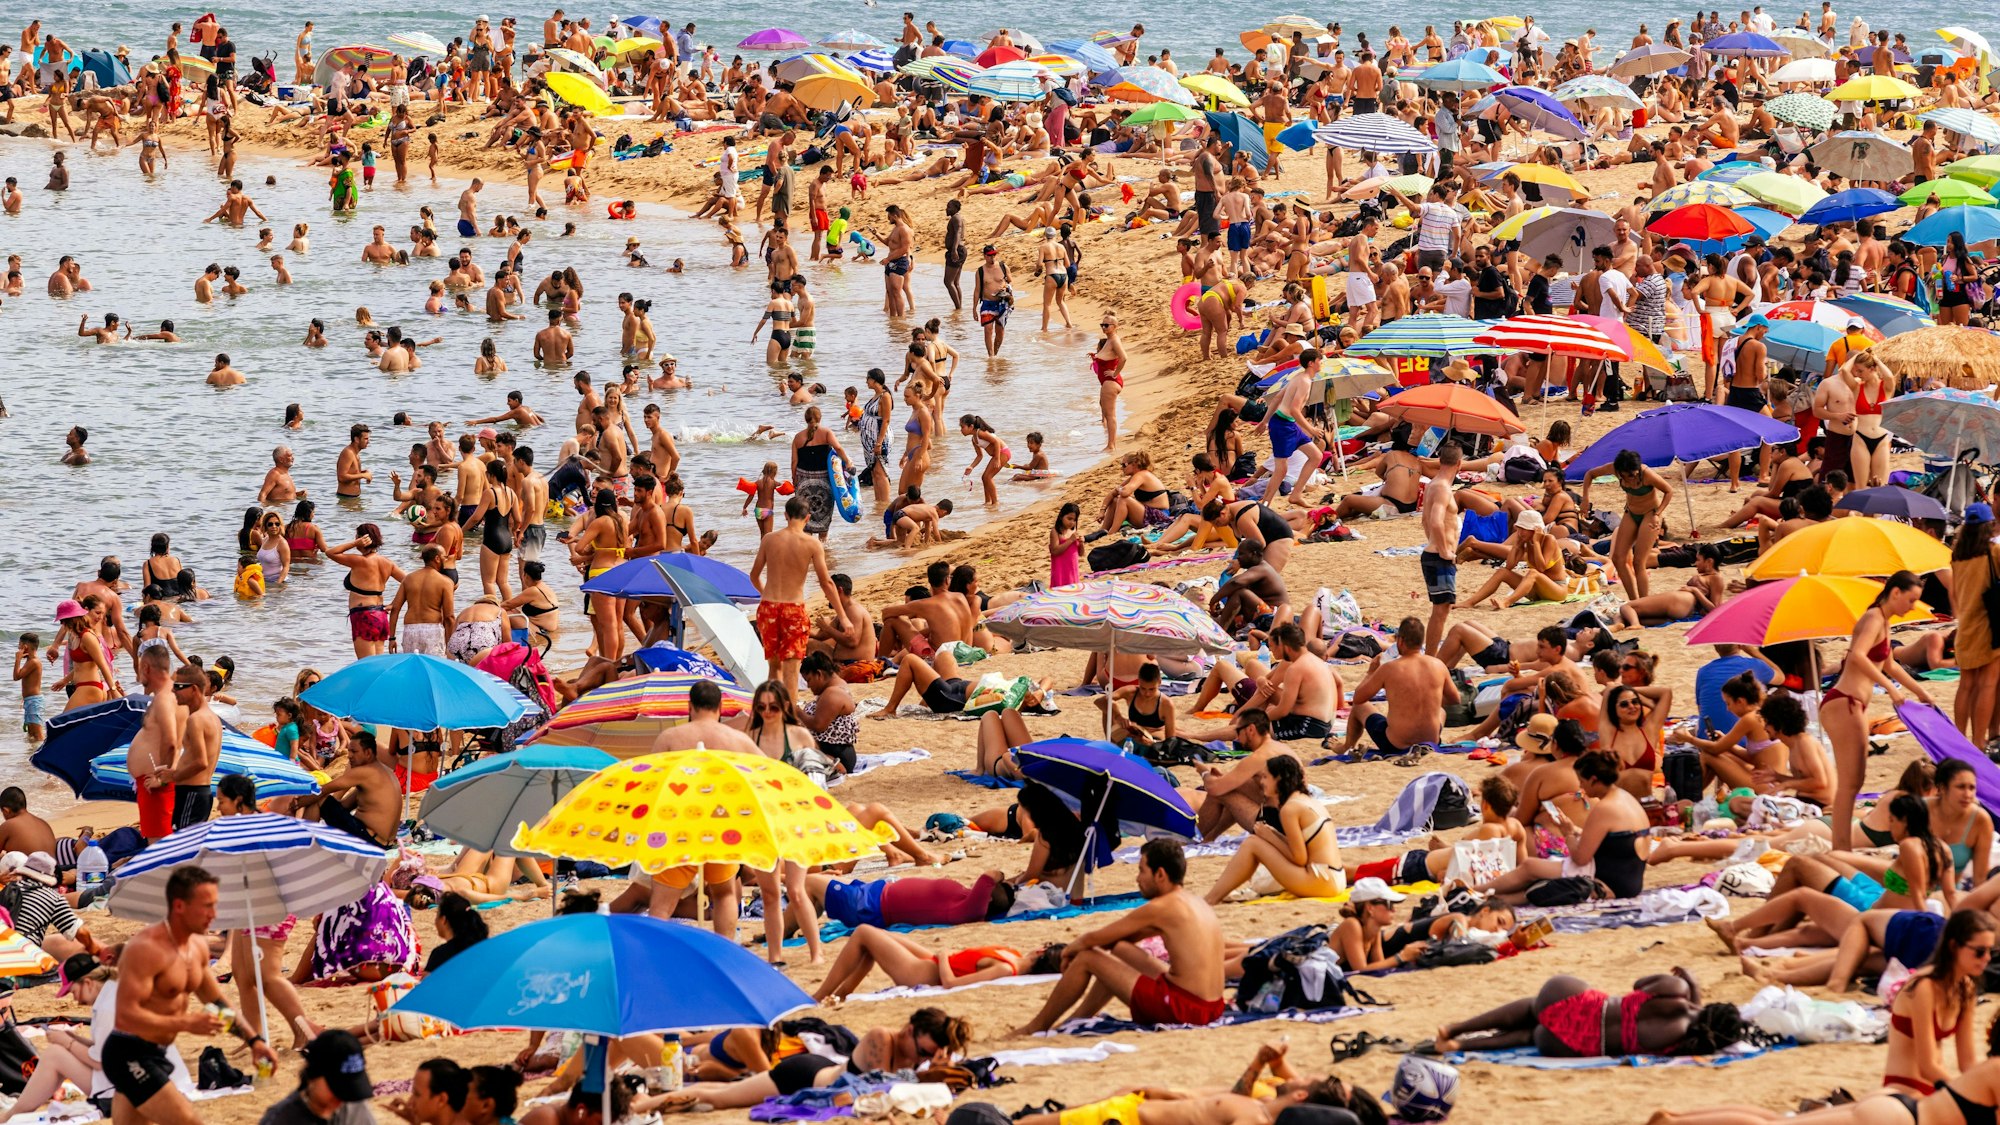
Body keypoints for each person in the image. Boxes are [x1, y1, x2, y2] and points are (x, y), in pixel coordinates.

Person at [110, 866, 278, 1125]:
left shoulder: (197, 946)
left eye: (215, 905)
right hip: (128, 1053)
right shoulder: (145, 950)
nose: (214, 915)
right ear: (179, 906)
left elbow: (217, 1003)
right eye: (206, 906)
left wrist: (255, 1041)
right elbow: (126, 1015)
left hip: (158, 1051)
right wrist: (186, 1023)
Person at [1016, 840, 1226, 1034]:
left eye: (1142, 871)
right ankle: (1078, 1018)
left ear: (1160, 875)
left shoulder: (1163, 906)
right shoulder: (1195, 902)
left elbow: (1091, 939)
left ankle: (1036, 1026)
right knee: (1121, 949)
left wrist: (1069, 952)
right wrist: (1099, 947)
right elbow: (1117, 940)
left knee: (1088, 957)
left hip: (1184, 1010)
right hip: (1212, 1006)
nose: (1137, 879)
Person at [1826, 571, 1933, 850]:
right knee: (1849, 784)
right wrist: (1893, 690)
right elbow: (1858, 655)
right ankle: (1840, 847)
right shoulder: (1873, 618)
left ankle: (1842, 845)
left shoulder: (1882, 621)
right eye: (1910, 600)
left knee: (1855, 781)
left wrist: (1920, 692)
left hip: (1852, 703)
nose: (1911, 607)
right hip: (1844, 701)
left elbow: (1891, 665)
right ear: (1895, 592)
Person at [1435, 966, 1743, 1058]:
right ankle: (1459, 1046)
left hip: (1578, 1005)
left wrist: (1690, 982)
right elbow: (1694, 1021)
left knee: (1533, 1007)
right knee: (1532, 1034)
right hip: (1574, 1046)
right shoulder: (1685, 1046)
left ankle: (1456, 1028)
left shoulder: (1676, 990)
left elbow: (1637, 982)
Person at [1202, 755, 1344, 902]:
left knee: (1252, 843)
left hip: (1322, 881)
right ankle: (1216, 895)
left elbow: (1299, 858)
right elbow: (1303, 849)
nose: (1261, 782)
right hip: (1335, 877)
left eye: (1265, 777)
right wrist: (1274, 834)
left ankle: (1211, 899)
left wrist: (1269, 837)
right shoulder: (1306, 801)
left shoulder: (1290, 809)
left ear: (1278, 779)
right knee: (1256, 841)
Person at [750, 496, 850, 692]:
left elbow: (754, 576)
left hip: (768, 608)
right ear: (808, 518)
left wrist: (766, 595)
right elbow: (826, 583)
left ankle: (776, 712)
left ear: (786, 515)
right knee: (792, 669)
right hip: (793, 609)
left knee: (774, 667)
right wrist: (843, 617)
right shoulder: (811, 544)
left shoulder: (768, 539)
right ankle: (791, 717)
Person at [811, 926, 1060, 1003]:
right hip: (932, 961)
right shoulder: (1012, 954)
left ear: (1041, 950)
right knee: (878, 938)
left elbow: (951, 983)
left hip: (922, 973)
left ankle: (820, 995)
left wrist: (942, 957)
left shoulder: (1007, 967)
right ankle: (841, 994)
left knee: (864, 933)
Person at [260, 1031, 377, 1125]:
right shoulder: (281, 1120)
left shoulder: (354, 1104)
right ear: (312, 1076)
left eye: (352, 1089)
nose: (342, 1099)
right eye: (338, 1088)